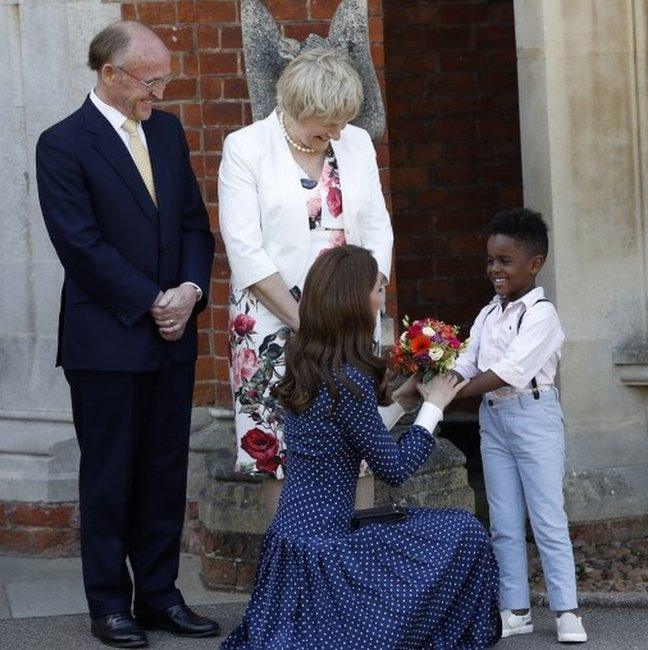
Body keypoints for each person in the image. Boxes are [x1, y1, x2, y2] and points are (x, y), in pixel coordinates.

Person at [35, 21, 217, 647]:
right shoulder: (61, 144)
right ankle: (108, 604)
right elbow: (80, 245)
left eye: (164, 79)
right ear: (110, 74)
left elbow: (194, 224)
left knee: (165, 469)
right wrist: (151, 301)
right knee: (110, 474)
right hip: (107, 340)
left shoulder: (165, 132)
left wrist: (189, 293)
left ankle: (160, 597)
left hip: (174, 333)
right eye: (150, 80)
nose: (160, 93)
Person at [221, 245, 501, 649]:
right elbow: (396, 469)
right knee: (464, 531)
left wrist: (405, 399)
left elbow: (345, 434)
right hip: (328, 549)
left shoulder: (306, 359)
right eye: (377, 289)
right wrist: (435, 406)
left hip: (291, 546)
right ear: (353, 300)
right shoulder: (347, 380)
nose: (381, 299)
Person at [218, 47, 394, 479]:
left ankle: (352, 548)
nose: (337, 132)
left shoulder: (354, 143)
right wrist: (309, 324)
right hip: (273, 320)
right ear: (298, 108)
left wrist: (368, 302)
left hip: (351, 322)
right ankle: (290, 547)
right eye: (328, 122)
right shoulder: (245, 148)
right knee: (278, 454)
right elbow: (244, 248)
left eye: (344, 120)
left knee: (357, 452)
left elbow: (377, 229)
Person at [452, 208, 587, 644]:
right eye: (491, 260)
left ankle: (567, 611)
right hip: (494, 420)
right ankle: (516, 609)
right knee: (504, 520)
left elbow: (511, 370)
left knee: (547, 516)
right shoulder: (488, 314)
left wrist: (453, 395)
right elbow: (467, 360)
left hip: (534, 416)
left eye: (505, 261)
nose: (495, 269)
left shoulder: (542, 315)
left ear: (535, 264)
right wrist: (432, 376)